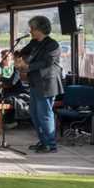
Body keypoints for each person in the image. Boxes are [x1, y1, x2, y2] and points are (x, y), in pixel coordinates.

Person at [17, 15, 64, 153]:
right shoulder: (34, 42)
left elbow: (46, 63)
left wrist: (27, 66)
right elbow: (24, 52)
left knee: (44, 115)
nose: (30, 31)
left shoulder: (52, 44)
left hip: (47, 84)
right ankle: (43, 141)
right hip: (35, 83)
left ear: (40, 29)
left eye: (32, 28)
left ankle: (51, 145)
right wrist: (19, 56)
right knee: (34, 113)